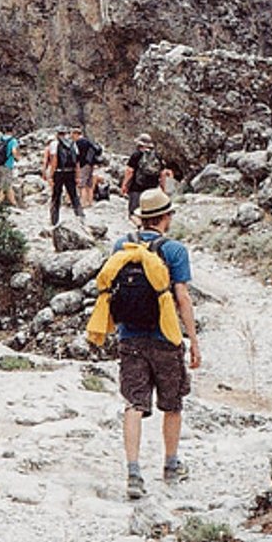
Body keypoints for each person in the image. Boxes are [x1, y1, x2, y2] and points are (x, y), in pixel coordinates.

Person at [87, 188, 200, 499]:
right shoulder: (175, 250)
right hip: (165, 337)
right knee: (173, 403)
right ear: (165, 217)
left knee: (134, 404)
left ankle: (134, 471)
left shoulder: (122, 245)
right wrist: (193, 340)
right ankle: (171, 464)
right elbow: (183, 297)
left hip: (130, 337)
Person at [121, 134, 172, 217]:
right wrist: (163, 188)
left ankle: (140, 227)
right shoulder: (157, 156)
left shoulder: (136, 155)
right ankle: (146, 226)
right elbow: (163, 173)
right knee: (150, 213)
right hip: (153, 188)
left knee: (133, 214)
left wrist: (124, 185)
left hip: (136, 188)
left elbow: (129, 171)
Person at [44, 128, 82, 226]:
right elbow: (77, 162)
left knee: (56, 196)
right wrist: (78, 176)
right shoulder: (73, 144)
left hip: (59, 172)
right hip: (71, 172)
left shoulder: (54, 144)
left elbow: (54, 160)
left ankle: (54, 220)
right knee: (73, 195)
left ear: (57, 134)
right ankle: (80, 216)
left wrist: (51, 175)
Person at [73, 127, 103, 203]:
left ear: (76, 134)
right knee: (89, 184)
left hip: (84, 164)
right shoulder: (88, 141)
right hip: (91, 164)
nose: (72, 136)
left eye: (72, 134)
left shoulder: (79, 142)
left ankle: (83, 202)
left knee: (82, 184)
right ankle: (90, 201)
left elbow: (77, 155)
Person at [0, 129, 19, 203]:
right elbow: (14, 151)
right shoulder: (13, 140)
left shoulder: (0, 139)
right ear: (12, 132)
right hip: (8, 164)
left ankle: (14, 202)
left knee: (4, 184)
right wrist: (17, 158)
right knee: (6, 185)